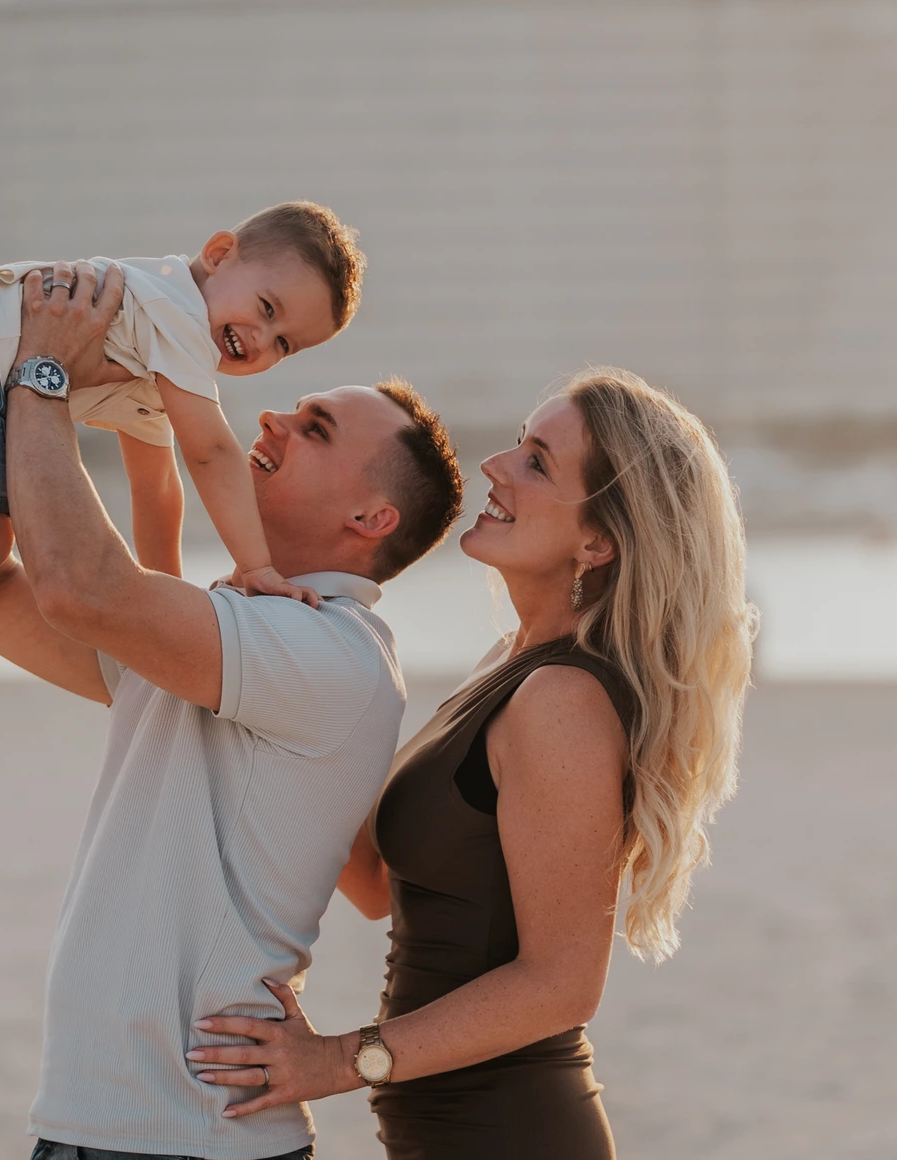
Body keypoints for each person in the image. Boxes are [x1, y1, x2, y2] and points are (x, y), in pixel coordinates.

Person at [0, 257, 465, 1160]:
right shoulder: (224, 629)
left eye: (316, 426)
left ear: (372, 517)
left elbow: (81, 587)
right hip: (98, 1127)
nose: (272, 414)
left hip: (188, 1141)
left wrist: (45, 370)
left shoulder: (333, 655)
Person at [187, 367, 758, 1160]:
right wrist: (291, 688)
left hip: (508, 1132)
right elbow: (382, 888)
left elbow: (562, 985)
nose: (495, 465)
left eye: (536, 462)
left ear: (598, 540)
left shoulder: (562, 698)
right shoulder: (514, 662)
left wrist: (340, 1060)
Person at [0, 201, 364, 835]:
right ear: (218, 255)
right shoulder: (177, 316)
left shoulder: (150, 341)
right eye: (267, 310)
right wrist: (256, 565)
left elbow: (157, 488)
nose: (261, 342)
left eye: (284, 345)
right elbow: (211, 453)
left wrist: (165, 613)